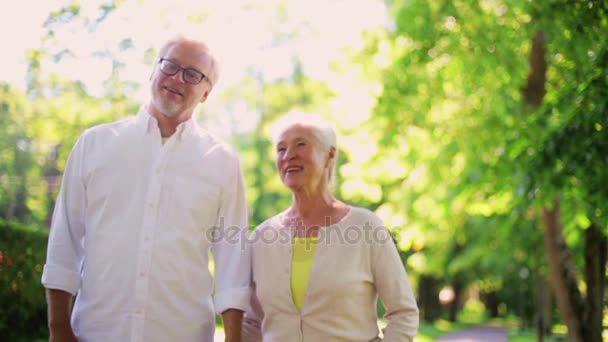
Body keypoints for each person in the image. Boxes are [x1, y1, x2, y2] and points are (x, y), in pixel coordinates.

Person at [41, 35, 250, 342]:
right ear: (153, 70)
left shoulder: (223, 162)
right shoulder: (94, 144)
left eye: (192, 74)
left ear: (206, 93)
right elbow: (64, 242)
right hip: (96, 333)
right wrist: (59, 330)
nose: (177, 78)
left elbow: (233, 260)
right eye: (170, 66)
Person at [242, 112, 419, 341]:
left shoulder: (365, 227)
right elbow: (252, 322)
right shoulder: (262, 237)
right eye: (281, 149)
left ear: (330, 155)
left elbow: (404, 312)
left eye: (300, 145)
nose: (288, 156)